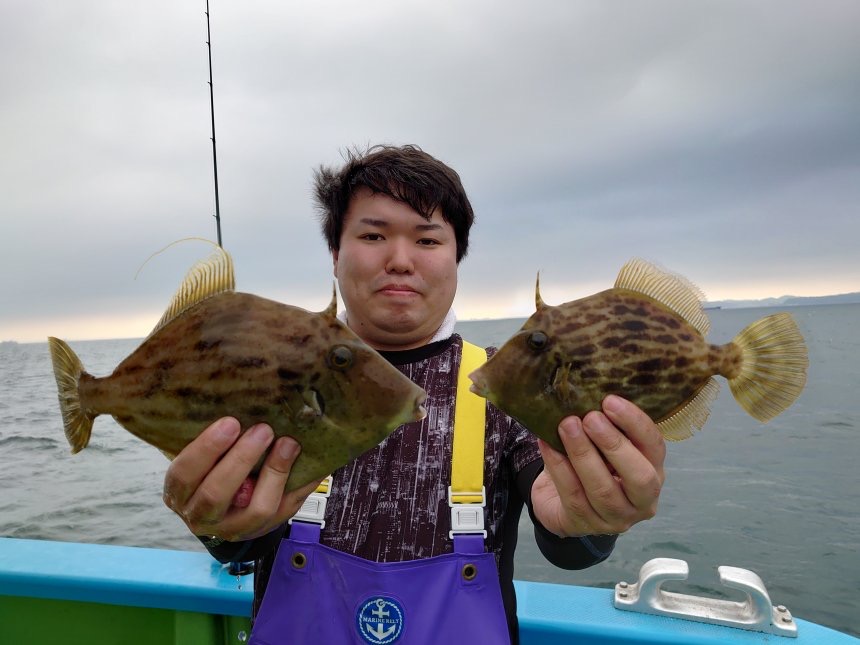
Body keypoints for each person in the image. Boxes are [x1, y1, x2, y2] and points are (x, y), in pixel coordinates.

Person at [162, 144, 666, 644]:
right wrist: (217, 521)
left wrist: (591, 518)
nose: (400, 260)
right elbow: (241, 544)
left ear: (456, 258)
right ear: (335, 254)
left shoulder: (504, 383)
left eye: (427, 240)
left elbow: (568, 541)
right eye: (373, 235)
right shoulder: (275, 374)